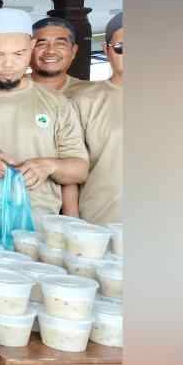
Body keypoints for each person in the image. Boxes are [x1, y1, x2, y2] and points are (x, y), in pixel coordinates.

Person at [0, 8, 89, 245]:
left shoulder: (57, 103)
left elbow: (79, 169)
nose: (8, 64)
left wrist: (49, 165)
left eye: (19, 54)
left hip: (35, 232)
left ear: (31, 48)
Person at [29, 16, 88, 215]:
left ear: (74, 51)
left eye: (60, 43)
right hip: (30, 207)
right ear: (28, 48)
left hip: (92, 207)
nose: (50, 51)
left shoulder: (92, 94)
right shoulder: (9, 93)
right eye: (41, 43)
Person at [69, 13, 123, 224]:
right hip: (100, 224)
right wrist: (73, 224)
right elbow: (70, 167)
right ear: (107, 51)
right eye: (122, 47)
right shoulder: (85, 100)